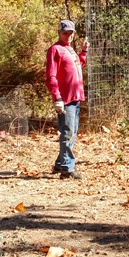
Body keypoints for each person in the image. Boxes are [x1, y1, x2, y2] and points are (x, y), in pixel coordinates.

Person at [45, 19, 89, 179]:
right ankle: (67, 168)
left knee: (72, 131)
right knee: (68, 132)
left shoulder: (69, 49)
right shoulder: (55, 50)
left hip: (75, 96)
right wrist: (56, 97)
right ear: (59, 32)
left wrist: (83, 52)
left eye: (71, 33)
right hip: (65, 98)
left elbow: (77, 67)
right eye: (65, 32)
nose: (68, 35)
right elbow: (51, 76)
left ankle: (59, 163)